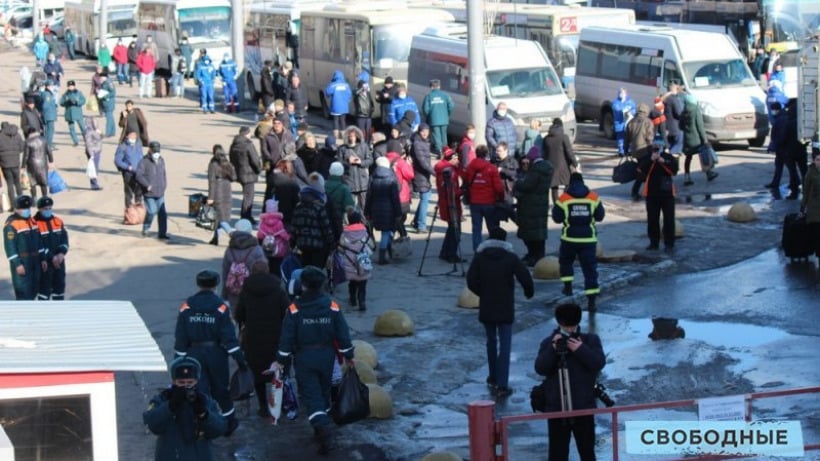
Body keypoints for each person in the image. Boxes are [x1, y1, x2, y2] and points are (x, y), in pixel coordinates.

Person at [275, 266, 355, 454]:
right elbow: (343, 334)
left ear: (302, 285)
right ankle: (322, 425)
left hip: (304, 357)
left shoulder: (294, 309)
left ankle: (323, 431)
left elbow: (286, 339)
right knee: (324, 391)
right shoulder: (332, 306)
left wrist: (281, 359)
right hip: (327, 356)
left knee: (311, 396)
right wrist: (349, 356)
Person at [174, 270, 248, 437]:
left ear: (198, 284)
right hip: (216, 355)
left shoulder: (187, 306)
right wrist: (240, 359)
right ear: (216, 285)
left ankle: (203, 424)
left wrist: (178, 361)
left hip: (194, 354)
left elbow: (180, 336)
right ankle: (229, 422)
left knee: (199, 390)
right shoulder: (221, 307)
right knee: (221, 389)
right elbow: (229, 337)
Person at [467, 226, 534, 398]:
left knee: (491, 342)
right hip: (505, 307)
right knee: (505, 346)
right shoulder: (510, 258)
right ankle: (503, 384)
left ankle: (493, 376)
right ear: (505, 241)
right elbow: (524, 276)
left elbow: (471, 280)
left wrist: (483, 293)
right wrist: (529, 291)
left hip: (487, 306)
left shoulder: (480, 257)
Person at [534, 303, 606, 461]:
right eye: (567, 327)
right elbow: (540, 368)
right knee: (557, 455)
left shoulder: (590, 340)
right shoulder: (549, 343)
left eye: (572, 327)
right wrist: (552, 350)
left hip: (583, 407)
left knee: (587, 453)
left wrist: (580, 349)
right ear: (560, 323)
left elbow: (598, 363)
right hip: (557, 408)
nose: (570, 332)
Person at [143, 356, 227, 461]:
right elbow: (153, 425)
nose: (186, 387)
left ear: (196, 382)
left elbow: (219, 429)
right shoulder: (162, 399)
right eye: (181, 383)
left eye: (190, 383)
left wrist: (204, 414)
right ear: (174, 382)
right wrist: (170, 406)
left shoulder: (206, 401)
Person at [234, 260, 290, 416]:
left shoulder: (246, 291)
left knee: (257, 373)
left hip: (253, 338)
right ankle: (277, 404)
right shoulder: (278, 290)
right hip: (276, 337)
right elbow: (287, 312)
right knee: (278, 372)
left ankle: (263, 407)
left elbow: (239, 315)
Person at [552, 172, 605, 311]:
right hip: (588, 240)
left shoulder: (564, 198)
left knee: (566, 263)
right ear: (583, 182)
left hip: (569, 239)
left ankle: (568, 288)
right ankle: (591, 302)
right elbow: (600, 216)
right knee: (590, 270)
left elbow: (556, 218)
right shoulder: (593, 197)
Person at [516, 148, 554, 267]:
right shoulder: (546, 169)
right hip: (540, 204)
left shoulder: (536, 171)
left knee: (530, 232)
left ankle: (534, 256)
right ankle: (538, 255)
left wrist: (517, 182)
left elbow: (527, 186)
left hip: (531, 205)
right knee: (538, 232)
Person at [4, 195, 45, 300]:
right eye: (23, 208)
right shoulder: (11, 224)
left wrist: (43, 258)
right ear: (17, 209)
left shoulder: (32, 221)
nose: (26, 210)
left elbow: (39, 241)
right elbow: (10, 247)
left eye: (28, 208)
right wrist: (17, 264)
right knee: (23, 293)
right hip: (23, 262)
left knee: (34, 290)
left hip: (35, 261)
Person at [639, 145, 679, 252]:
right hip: (651, 193)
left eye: (658, 147)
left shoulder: (668, 157)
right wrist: (651, 160)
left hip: (667, 194)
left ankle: (669, 243)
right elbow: (641, 170)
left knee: (669, 220)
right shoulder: (648, 157)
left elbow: (675, 170)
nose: (657, 149)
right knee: (652, 219)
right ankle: (653, 243)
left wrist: (663, 161)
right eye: (655, 147)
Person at [465, 145, 505, 251]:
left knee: (476, 229)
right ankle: (492, 250)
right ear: (486, 154)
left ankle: (477, 251)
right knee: (492, 228)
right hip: (489, 202)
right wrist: (501, 199)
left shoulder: (470, 167)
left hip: (474, 202)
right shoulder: (491, 168)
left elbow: (467, 182)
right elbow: (498, 187)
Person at [221, 218, 267, 308]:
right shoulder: (256, 250)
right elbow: (263, 272)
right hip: (252, 291)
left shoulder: (230, 250)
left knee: (234, 315)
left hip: (233, 291)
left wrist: (224, 294)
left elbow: (225, 273)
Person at [365, 156, 401, 265]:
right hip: (389, 208)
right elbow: (395, 197)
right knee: (386, 232)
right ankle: (382, 255)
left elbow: (369, 196)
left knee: (382, 230)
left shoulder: (372, 177)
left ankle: (387, 250)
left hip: (375, 208)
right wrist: (398, 212)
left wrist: (367, 211)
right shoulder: (391, 178)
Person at [33, 196, 68, 300]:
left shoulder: (58, 221)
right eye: (45, 208)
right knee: (44, 290)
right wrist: (51, 257)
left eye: (50, 208)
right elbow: (37, 244)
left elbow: (64, 239)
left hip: (59, 260)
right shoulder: (34, 224)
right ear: (39, 209)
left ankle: (59, 311)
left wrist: (61, 253)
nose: (48, 210)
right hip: (45, 262)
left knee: (59, 288)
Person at [434, 147, 464, 263]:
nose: (458, 160)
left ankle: (444, 252)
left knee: (451, 229)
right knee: (456, 230)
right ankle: (451, 254)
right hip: (451, 204)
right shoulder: (449, 172)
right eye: (456, 158)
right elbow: (451, 192)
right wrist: (463, 190)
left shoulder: (442, 169)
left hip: (445, 203)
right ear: (451, 159)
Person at [338, 210, 373, 310]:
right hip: (363, 261)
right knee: (362, 284)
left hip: (350, 262)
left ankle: (353, 299)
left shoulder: (344, 234)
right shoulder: (364, 232)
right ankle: (362, 301)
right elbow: (371, 245)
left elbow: (341, 248)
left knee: (352, 282)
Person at [681, 93, 718, 184]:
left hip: (687, 139)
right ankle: (709, 173)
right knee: (703, 155)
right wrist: (704, 140)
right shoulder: (696, 110)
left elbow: (680, 126)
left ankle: (687, 177)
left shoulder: (684, 111)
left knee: (688, 157)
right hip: (697, 138)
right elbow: (700, 126)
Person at [765, 101, 800, 199]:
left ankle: (794, 183)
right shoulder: (782, 117)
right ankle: (779, 182)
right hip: (783, 147)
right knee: (781, 166)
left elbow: (779, 135)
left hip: (783, 148)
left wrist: (773, 146)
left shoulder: (781, 119)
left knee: (786, 166)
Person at [136, 141, 170, 240]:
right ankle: (146, 227)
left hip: (160, 191)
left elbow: (164, 173)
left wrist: (164, 185)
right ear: (149, 150)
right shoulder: (144, 161)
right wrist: (147, 185)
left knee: (162, 213)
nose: (156, 153)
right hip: (149, 193)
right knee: (151, 211)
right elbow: (139, 175)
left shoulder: (161, 160)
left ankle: (162, 233)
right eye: (154, 150)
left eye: (158, 151)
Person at [229, 126, 263, 224]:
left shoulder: (234, 144)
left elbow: (231, 159)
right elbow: (255, 160)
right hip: (249, 174)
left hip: (239, 172)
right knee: (249, 196)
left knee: (246, 195)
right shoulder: (248, 144)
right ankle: (246, 216)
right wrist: (258, 169)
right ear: (247, 134)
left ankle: (245, 215)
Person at [541, 118, 577, 204]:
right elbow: (569, 152)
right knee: (567, 184)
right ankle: (565, 202)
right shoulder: (564, 137)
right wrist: (575, 162)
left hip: (551, 166)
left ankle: (556, 205)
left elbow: (544, 153)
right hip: (563, 166)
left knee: (554, 187)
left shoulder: (546, 138)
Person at [207, 144, 237, 245]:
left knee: (220, 217)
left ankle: (231, 232)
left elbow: (211, 181)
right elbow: (234, 178)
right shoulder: (227, 163)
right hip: (227, 190)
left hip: (217, 191)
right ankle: (215, 238)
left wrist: (210, 197)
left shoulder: (213, 164)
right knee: (221, 215)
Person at [624, 103, 655, 200]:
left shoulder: (631, 122)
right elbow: (649, 138)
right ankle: (637, 191)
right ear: (646, 111)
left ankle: (640, 191)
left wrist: (625, 150)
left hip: (635, 151)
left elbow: (626, 139)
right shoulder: (648, 122)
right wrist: (652, 150)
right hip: (645, 150)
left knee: (642, 170)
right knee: (646, 172)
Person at [338, 126, 372, 209]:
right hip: (349, 182)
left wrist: (361, 162)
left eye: (353, 136)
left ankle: (364, 222)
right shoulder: (342, 149)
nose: (351, 138)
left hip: (362, 182)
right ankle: (352, 221)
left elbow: (370, 160)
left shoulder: (364, 146)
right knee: (350, 207)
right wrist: (347, 162)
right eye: (349, 136)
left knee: (364, 206)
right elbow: (339, 164)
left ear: (357, 136)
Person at [410, 124, 434, 233]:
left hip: (425, 174)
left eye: (427, 131)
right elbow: (422, 162)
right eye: (423, 131)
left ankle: (416, 220)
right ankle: (421, 226)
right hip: (420, 175)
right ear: (419, 131)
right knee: (425, 199)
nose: (425, 133)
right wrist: (434, 172)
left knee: (426, 196)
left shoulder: (424, 142)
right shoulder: (417, 143)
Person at [257, 199, 291, 275]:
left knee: (266, 263)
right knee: (277, 265)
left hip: (266, 248)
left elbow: (260, 235)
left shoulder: (263, 221)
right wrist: (288, 237)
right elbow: (283, 235)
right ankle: (276, 279)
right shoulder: (279, 222)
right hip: (278, 249)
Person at [422, 79, 454, 154]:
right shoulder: (445, 95)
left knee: (436, 136)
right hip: (444, 119)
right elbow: (451, 105)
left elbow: (425, 109)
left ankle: (439, 151)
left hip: (433, 120)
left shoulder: (429, 96)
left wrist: (429, 116)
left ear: (431, 87)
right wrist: (447, 114)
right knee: (444, 135)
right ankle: (446, 150)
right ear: (439, 86)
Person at [114, 130, 145, 209]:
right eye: (131, 137)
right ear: (127, 137)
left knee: (139, 193)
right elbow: (117, 161)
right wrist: (127, 167)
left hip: (139, 173)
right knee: (129, 193)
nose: (133, 138)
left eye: (135, 137)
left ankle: (138, 212)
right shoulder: (122, 147)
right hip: (128, 173)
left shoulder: (138, 145)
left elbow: (141, 156)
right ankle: (129, 211)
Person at [800, 153, 820, 268]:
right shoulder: (810, 174)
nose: (819, 162)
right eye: (817, 160)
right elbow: (806, 192)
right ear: (814, 161)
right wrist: (802, 209)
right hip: (815, 210)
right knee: (817, 233)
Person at [22, 127, 53, 199]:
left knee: (33, 182)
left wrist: (23, 166)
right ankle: (45, 198)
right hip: (42, 164)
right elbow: (49, 151)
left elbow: (26, 156)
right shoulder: (43, 139)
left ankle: (34, 199)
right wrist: (51, 161)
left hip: (32, 164)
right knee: (43, 182)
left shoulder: (28, 142)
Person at [0, 122, 26, 205]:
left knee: (9, 184)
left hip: (5, 164)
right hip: (15, 162)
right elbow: (22, 148)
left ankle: (13, 204)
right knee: (17, 182)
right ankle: (22, 202)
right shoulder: (17, 135)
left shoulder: (0, 136)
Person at [325, 161, 355, 234]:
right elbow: (349, 205)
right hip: (337, 218)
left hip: (323, 217)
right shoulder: (344, 188)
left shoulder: (323, 184)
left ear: (330, 171)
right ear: (342, 172)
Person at [325, 70, 352, 139]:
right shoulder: (346, 85)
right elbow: (349, 94)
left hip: (335, 107)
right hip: (344, 107)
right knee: (343, 120)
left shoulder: (333, 85)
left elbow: (327, 92)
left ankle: (336, 136)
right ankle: (343, 135)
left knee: (335, 121)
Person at [59, 80, 86, 146]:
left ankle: (87, 140)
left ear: (74, 86)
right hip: (69, 113)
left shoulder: (79, 93)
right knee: (71, 128)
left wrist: (77, 102)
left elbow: (83, 100)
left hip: (77, 112)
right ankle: (75, 141)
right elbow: (61, 102)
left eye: (72, 86)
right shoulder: (65, 94)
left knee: (82, 127)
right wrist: (66, 103)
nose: (70, 87)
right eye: (69, 86)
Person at [611, 88, 636, 156]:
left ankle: (629, 150)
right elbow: (615, 109)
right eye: (620, 93)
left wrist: (630, 112)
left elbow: (634, 109)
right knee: (620, 138)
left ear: (626, 94)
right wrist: (623, 110)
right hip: (619, 123)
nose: (621, 94)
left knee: (629, 137)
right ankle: (621, 151)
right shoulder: (615, 102)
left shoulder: (630, 101)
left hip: (628, 122)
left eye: (623, 93)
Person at [662, 81, 684, 154]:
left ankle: (668, 157)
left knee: (670, 144)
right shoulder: (674, 99)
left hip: (667, 127)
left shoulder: (665, 98)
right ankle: (670, 156)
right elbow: (679, 113)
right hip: (675, 127)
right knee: (678, 144)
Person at [83, 116, 103, 190]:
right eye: (94, 122)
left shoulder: (95, 130)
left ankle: (95, 184)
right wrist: (91, 154)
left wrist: (100, 133)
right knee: (93, 169)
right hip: (93, 152)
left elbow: (101, 138)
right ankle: (94, 185)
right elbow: (88, 144)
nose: (96, 123)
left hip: (97, 151)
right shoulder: (88, 132)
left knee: (95, 168)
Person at [352, 80, 375, 144]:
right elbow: (355, 93)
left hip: (368, 116)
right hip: (360, 115)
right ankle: (360, 144)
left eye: (366, 86)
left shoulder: (368, 94)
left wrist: (372, 109)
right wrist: (361, 89)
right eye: (364, 86)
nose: (366, 87)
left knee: (368, 131)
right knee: (360, 131)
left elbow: (371, 102)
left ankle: (367, 144)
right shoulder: (357, 94)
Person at [97, 70, 117, 138]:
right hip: (106, 103)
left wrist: (104, 96)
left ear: (104, 77)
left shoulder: (108, 83)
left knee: (109, 118)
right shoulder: (104, 82)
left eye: (101, 77)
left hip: (109, 103)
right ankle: (113, 131)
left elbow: (113, 93)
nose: (100, 79)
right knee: (111, 118)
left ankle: (108, 132)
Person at [40, 80, 58, 149]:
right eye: (51, 85)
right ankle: (48, 145)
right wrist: (44, 114)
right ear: (48, 86)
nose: (53, 87)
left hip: (50, 114)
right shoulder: (47, 94)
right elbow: (45, 106)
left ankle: (49, 143)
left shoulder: (49, 93)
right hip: (49, 115)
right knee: (49, 131)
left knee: (49, 130)